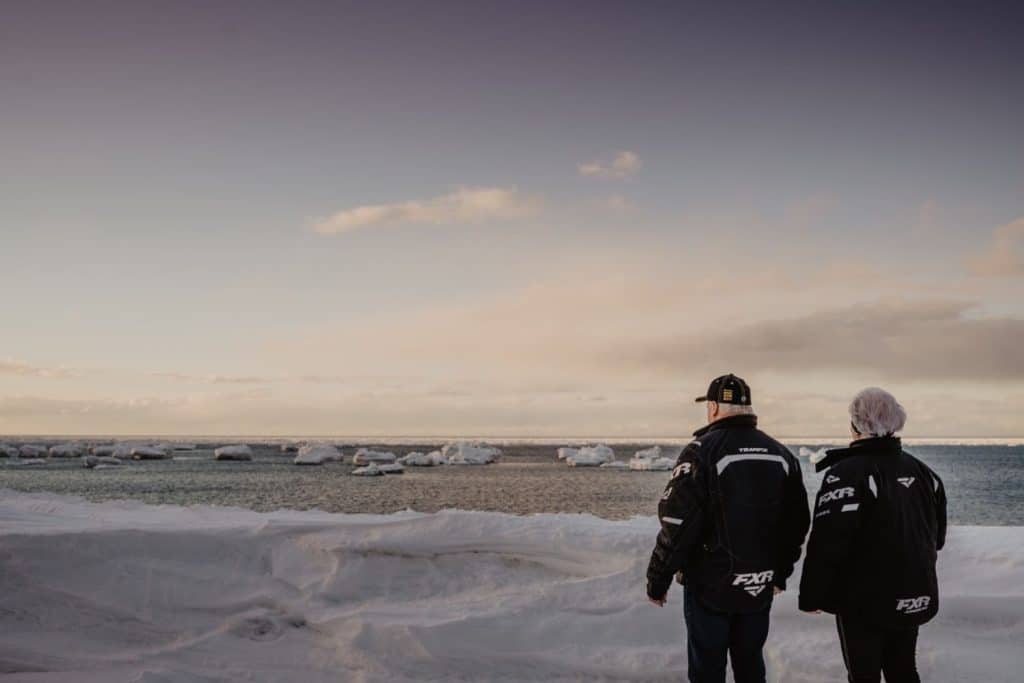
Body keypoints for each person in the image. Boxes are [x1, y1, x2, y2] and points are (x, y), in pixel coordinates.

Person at [646, 373, 810, 683]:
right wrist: (779, 573)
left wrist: (658, 578)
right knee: (750, 664)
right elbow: (797, 523)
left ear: (714, 407)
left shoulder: (701, 451)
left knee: (708, 667)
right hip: (757, 585)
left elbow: (676, 522)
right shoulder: (781, 454)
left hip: (711, 585)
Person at [799, 387, 947, 683]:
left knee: (864, 676)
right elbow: (937, 537)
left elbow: (828, 542)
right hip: (913, 592)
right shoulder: (924, 472)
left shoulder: (845, 473)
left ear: (855, 426)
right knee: (903, 670)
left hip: (864, 602)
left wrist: (811, 595)